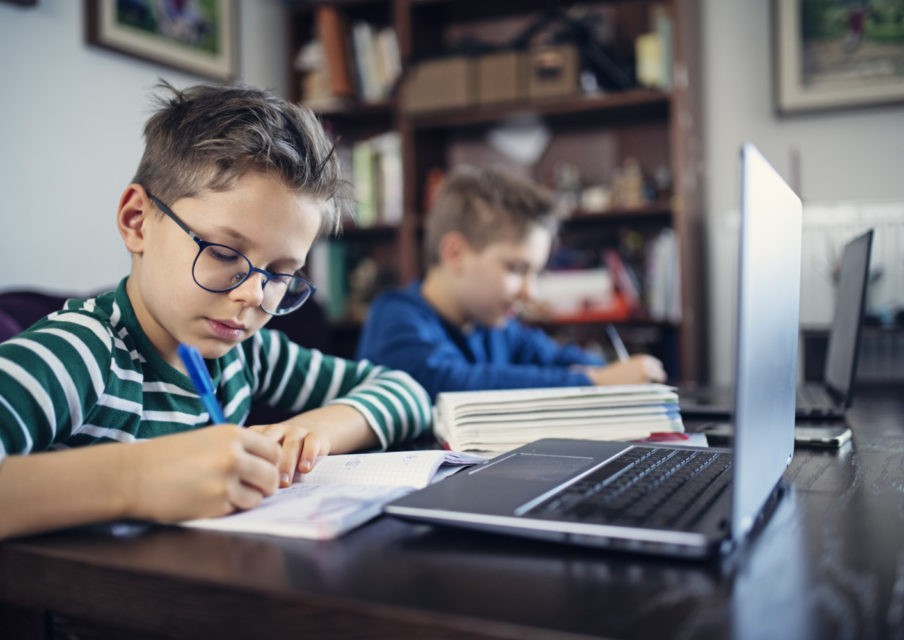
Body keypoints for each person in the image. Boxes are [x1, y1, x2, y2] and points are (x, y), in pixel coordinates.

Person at [0, 81, 430, 540]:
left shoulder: (246, 354)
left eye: (281, 274)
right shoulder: (78, 353)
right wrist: (138, 479)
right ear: (136, 221)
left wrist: (313, 430)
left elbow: (406, 392)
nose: (253, 296)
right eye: (225, 253)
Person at [356, 165, 666, 401]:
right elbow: (451, 382)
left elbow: (559, 357)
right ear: (456, 253)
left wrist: (609, 371)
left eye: (536, 274)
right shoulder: (394, 317)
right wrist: (595, 382)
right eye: (517, 269)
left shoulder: (495, 326)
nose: (530, 292)